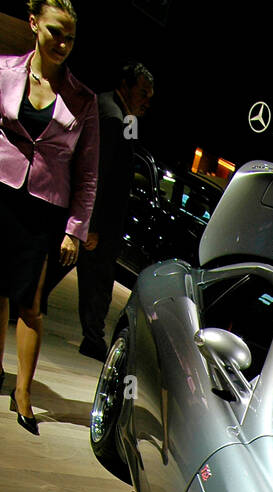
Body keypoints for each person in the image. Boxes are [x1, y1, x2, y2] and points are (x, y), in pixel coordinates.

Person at [0, 0, 98, 434]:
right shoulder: (4, 70)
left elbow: (89, 172)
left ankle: (23, 394)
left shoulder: (84, 100)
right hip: (0, 190)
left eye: (70, 37)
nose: (62, 43)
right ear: (34, 22)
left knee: (29, 302)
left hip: (43, 206)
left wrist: (75, 230)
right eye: (56, 31)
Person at [76, 61, 154, 361]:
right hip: (100, 221)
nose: (147, 101)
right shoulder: (113, 117)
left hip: (97, 218)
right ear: (126, 86)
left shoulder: (111, 109)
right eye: (143, 92)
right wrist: (92, 224)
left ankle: (24, 307)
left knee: (83, 272)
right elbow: (99, 171)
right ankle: (92, 338)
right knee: (98, 280)